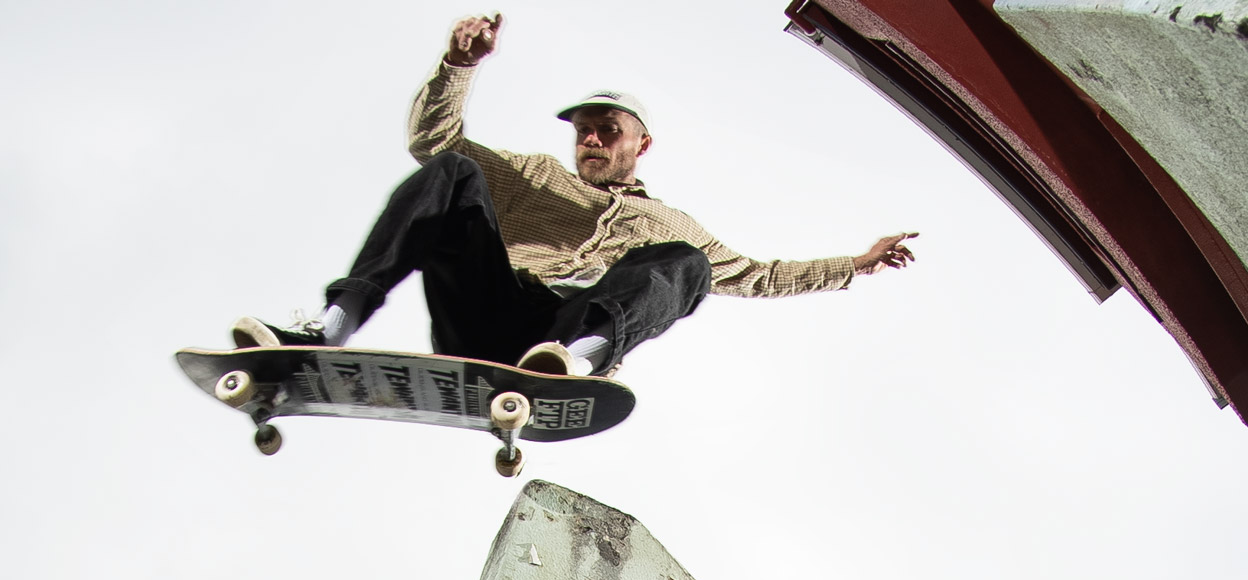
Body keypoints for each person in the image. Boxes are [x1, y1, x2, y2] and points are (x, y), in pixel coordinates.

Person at [232, 13, 918, 379]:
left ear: (639, 143)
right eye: (583, 131)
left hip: (564, 332)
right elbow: (432, 143)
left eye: (605, 131)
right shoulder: (531, 173)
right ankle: (335, 323)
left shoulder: (665, 219)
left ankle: (577, 356)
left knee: (688, 263)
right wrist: (458, 66)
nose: (589, 141)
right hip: (486, 311)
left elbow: (762, 277)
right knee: (451, 175)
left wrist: (853, 265)